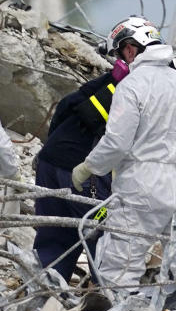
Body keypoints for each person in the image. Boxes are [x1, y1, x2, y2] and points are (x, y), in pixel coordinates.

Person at [71, 38, 176, 296]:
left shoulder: (134, 84)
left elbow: (117, 143)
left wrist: (89, 167)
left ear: (130, 50)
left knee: (121, 267)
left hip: (143, 183)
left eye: (119, 55)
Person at [31, 16, 158, 282]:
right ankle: (107, 298)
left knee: (54, 234)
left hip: (50, 164)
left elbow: (66, 107)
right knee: (103, 232)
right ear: (131, 50)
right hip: (80, 171)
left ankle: (47, 291)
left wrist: (45, 151)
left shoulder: (107, 83)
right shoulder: (131, 88)